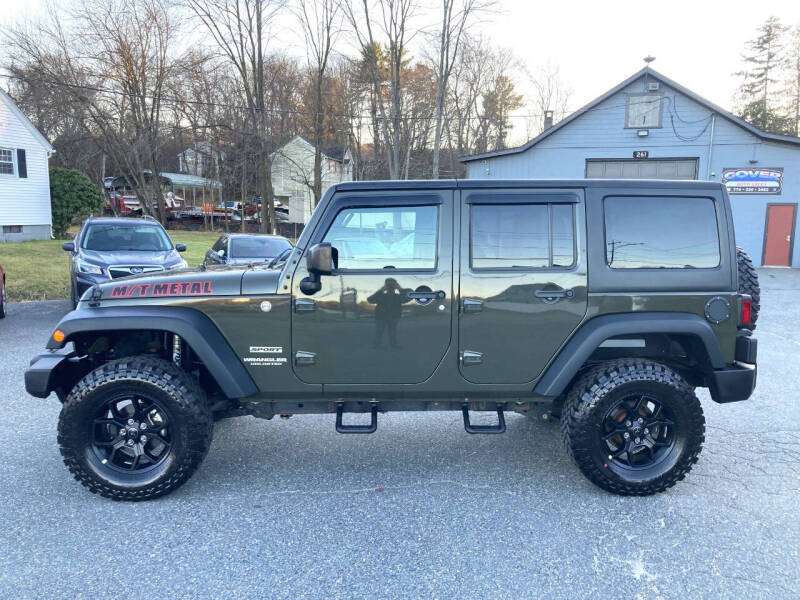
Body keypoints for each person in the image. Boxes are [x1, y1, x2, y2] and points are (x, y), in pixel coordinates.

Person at [367, 278, 411, 348]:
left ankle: (393, 345)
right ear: (385, 286)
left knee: (392, 332)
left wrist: (400, 289)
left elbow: (409, 297)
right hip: (381, 317)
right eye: (388, 285)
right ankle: (376, 345)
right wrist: (381, 290)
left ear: (396, 285)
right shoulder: (381, 295)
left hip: (394, 317)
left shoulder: (398, 296)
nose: (390, 286)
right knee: (379, 331)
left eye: (392, 285)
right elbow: (370, 300)